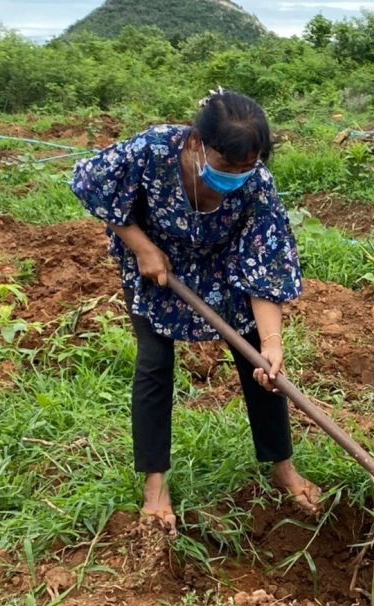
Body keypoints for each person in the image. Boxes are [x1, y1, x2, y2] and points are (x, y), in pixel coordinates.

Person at [71, 88, 320, 534]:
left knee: (258, 364)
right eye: (229, 165)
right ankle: (155, 486)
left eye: (250, 165)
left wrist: (272, 344)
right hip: (154, 268)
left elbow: (266, 263)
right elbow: (94, 185)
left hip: (223, 268)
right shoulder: (153, 150)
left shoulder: (257, 184)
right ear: (195, 144)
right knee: (155, 361)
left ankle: (282, 467)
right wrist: (142, 248)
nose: (240, 175)